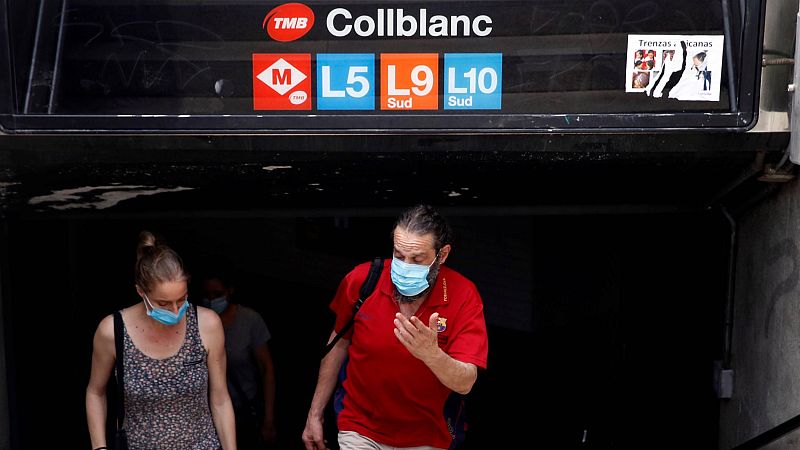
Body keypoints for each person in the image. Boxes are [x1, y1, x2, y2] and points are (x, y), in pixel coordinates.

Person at [302, 204, 489, 450]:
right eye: (399, 256)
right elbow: (337, 345)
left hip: (427, 436)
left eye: (417, 259)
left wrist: (432, 355)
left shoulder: (463, 296)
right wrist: (315, 414)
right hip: (360, 428)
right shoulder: (362, 281)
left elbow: (465, 382)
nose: (405, 266)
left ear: (442, 255)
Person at [86, 231, 237, 450]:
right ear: (141, 292)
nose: (175, 311)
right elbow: (95, 392)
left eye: (182, 299)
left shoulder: (207, 324)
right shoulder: (113, 330)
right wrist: (100, 447)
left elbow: (220, 398)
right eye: (163, 304)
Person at [199, 271, 277, 449]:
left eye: (217, 295)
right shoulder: (194, 321)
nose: (211, 301)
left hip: (243, 410)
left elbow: (267, 369)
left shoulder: (249, 320)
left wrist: (268, 419)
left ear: (230, 291)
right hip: (205, 413)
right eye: (207, 295)